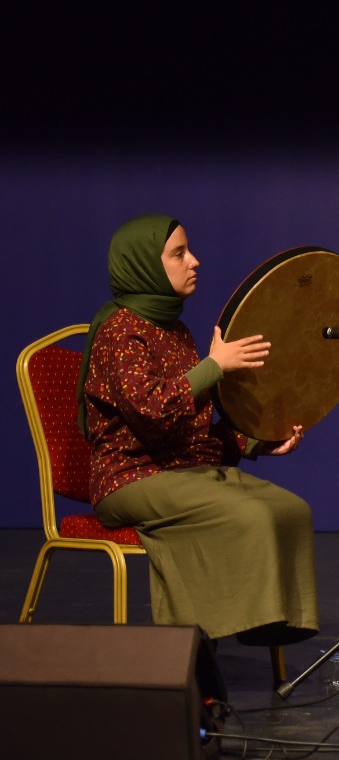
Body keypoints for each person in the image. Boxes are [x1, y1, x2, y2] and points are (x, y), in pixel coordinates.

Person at [78, 214, 319, 647]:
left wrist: (259, 442)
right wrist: (213, 368)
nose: (195, 261)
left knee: (291, 508)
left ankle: (273, 624)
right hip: (131, 477)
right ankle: (221, 634)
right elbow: (152, 412)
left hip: (182, 469)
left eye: (188, 250)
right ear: (144, 265)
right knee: (250, 514)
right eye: (178, 254)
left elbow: (192, 427)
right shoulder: (120, 332)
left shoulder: (175, 330)